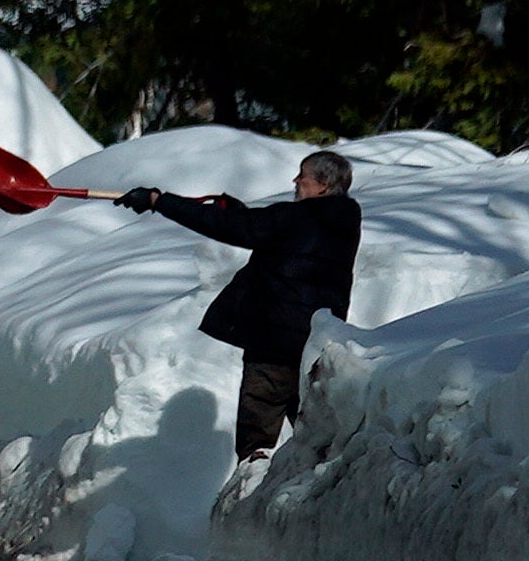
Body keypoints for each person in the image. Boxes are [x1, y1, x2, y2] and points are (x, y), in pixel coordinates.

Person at [117, 151, 360, 460]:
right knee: (315, 434)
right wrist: (240, 213)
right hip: (316, 343)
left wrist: (158, 201)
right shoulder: (343, 222)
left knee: (257, 435)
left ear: (323, 185)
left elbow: (233, 228)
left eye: (303, 176)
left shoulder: (298, 217)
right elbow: (272, 232)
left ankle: (250, 485)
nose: (295, 181)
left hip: (275, 341)